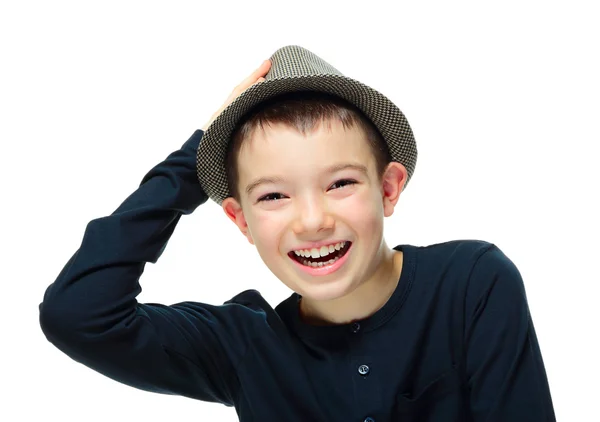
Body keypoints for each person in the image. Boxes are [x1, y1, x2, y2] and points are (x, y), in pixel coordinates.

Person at [39, 45, 556, 421]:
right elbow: (78, 314)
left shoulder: (470, 285)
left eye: (340, 183)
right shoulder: (245, 345)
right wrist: (195, 161)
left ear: (390, 188)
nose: (312, 221)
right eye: (273, 196)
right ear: (240, 220)